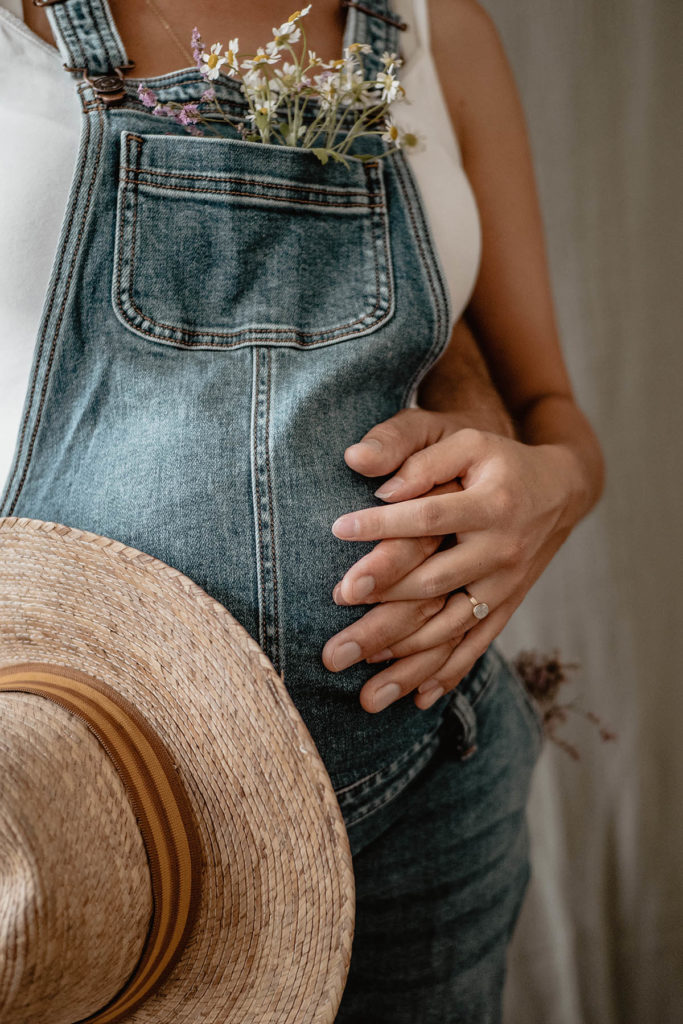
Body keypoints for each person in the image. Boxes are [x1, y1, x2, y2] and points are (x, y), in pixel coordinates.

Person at [0, 0, 604, 1021]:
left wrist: (551, 486)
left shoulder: (431, 28)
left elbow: (540, 403)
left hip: (427, 780)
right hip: (88, 816)